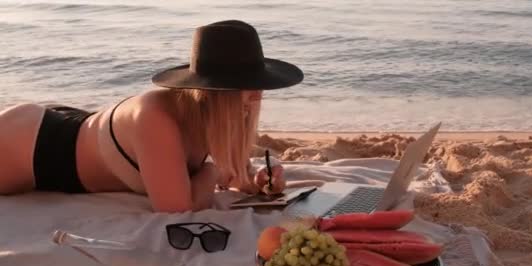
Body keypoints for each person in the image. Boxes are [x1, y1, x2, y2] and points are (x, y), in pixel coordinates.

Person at [0, 20, 304, 212]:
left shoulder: (219, 114)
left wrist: (266, 177)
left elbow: (237, 176)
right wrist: (212, 170)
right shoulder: (156, 117)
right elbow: (177, 207)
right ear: (215, 91)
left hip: (78, 129)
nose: (258, 94)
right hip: (30, 146)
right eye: (250, 85)